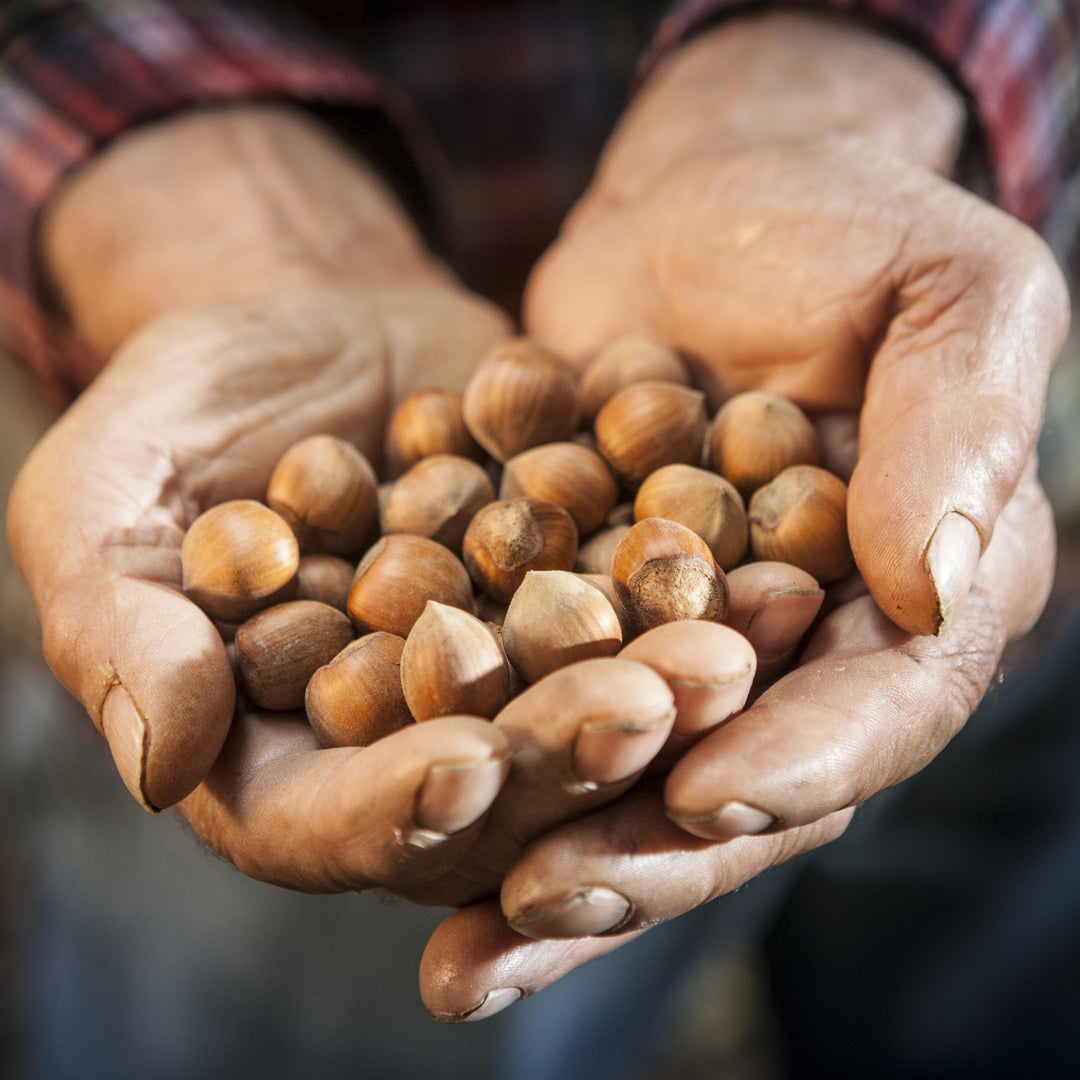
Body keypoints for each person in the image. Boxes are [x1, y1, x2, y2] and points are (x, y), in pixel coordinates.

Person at [1, 0, 1076, 1073]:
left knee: (985, 962)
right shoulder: (448, 556)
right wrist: (193, 213)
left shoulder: (605, 507)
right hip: (358, 823)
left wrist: (829, 71)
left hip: (914, 421)